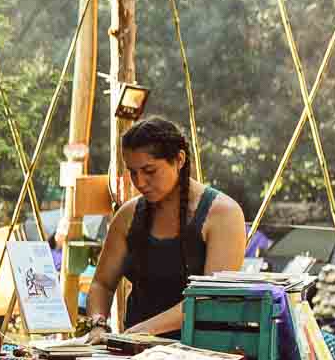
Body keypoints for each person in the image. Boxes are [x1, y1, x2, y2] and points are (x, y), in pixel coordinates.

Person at [83, 118, 250, 338]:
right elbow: (102, 284)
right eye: (133, 172)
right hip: (136, 351)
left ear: (179, 159)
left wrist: (145, 329)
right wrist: (97, 324)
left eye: (149, 171)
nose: (140, 182)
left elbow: (211, 298)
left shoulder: (223, 214)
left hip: (202, 356)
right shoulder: (127, 215)